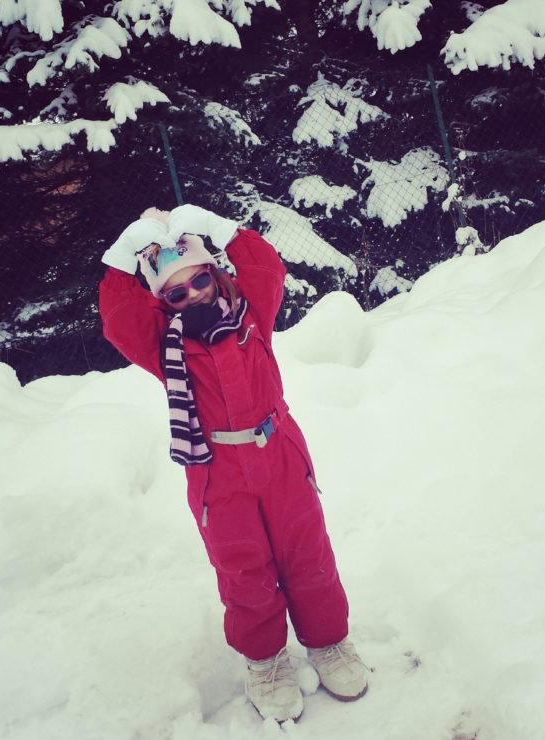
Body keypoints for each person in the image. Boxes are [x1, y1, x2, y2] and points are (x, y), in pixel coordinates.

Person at [98, 204, 368, 723]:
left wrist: (212, 225)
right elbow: (119, 318)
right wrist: (127, 249)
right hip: (215, 470)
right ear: (164, 302)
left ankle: (329, 642)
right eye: (176, 293)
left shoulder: (251, 316)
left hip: (279, 454)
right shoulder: (163, 345)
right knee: (243, 570)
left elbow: (266, 267)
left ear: (214, 274)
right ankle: (266, 662)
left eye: (199, 281)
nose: (192, 295)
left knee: (307, 552)